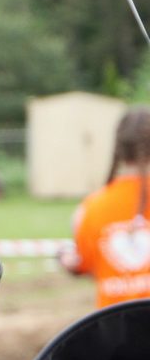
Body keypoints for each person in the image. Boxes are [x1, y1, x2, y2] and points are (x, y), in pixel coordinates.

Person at [61, 106, 150, 308]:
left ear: (118, 149)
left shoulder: (90, 208)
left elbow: (81, 265)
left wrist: (65, 258)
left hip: (114, 326)